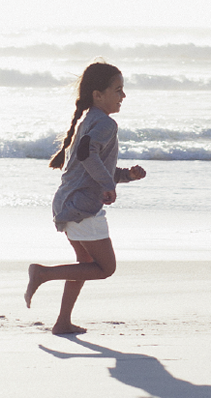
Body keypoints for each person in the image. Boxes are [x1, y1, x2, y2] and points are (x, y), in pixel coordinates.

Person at [25, 61, 146, 334]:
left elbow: (90, 164)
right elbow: (87, 155)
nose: (123, 95)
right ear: (98, 95)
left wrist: (126, 176)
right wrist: (108, 184)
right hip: (82, 207)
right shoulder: (106, 124)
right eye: (118, 90)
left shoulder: (90, 119)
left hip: (67, 203)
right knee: (105, 268)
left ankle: (62, 322)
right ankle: (42, 274)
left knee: (84, 264)